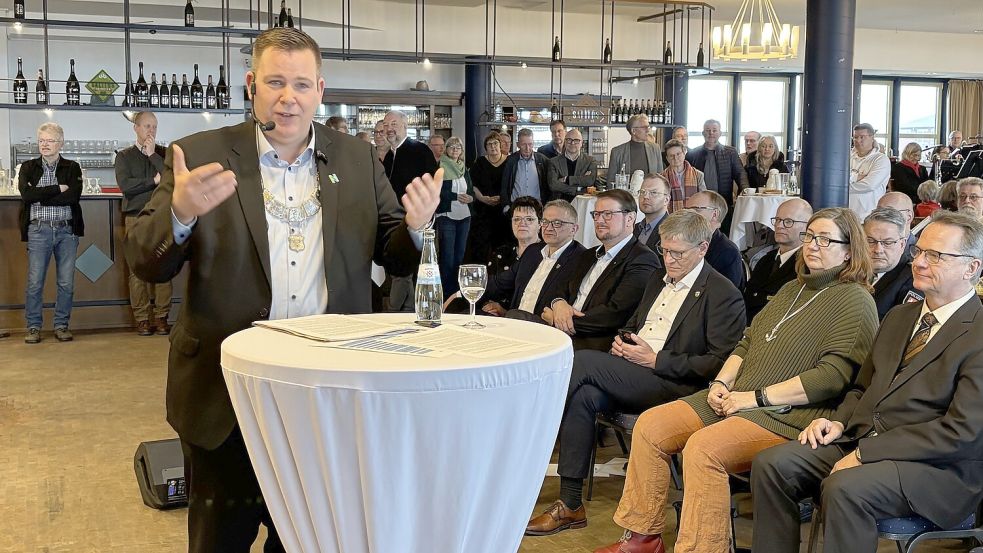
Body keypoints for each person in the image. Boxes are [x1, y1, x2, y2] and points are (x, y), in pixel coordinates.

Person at [124, 28, 442, 553]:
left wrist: (413, 227)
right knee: (217, 541)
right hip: (224, 394)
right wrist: (179, 214)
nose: (288, 97)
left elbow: (393, 251)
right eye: (274, 81)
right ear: (251, 85)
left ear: (320, 89)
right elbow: (144, 260)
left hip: (325, 396)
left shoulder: (358, 159)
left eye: (300, 84)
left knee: (309, 541)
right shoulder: (198, 154)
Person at [593, 207, 878, 553]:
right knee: (652, 426)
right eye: (809, 236)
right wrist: (721, 383)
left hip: (787, 414)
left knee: (703, 449)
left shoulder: (855, 300)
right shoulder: (792, 289)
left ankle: (704, 549)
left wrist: (754, 398)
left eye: (824, 239)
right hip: (736, 397)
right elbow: (746, 341)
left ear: (849, 250)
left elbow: (830, 379)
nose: (812, 245)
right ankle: (643, 537)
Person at [751, 210, 983, 553]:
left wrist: (866, 452)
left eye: (935, 255)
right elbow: (861, 388)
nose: (919, 262)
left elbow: (961, 432)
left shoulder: (977, 332)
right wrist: (836, 422)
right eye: (919, 251)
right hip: (864, 440)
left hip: (937, 470)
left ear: (972, 268)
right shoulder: (899, 316)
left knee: (845, 487)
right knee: (771, 465)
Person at [526, 209, 746, 537]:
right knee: (585, 395)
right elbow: (635, 323)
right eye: (664, 250)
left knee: (582, 361)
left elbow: (718, 363)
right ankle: (570, 504)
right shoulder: (659, 277)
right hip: (634, 370)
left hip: (677, 384)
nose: (669, 259)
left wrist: (656, 360)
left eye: (677, 253)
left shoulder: (722, 293)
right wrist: (624, 342)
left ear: (702, 249)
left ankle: (524, 437)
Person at [540, 189, 659, 351]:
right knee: (517, 319)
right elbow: (559, 289)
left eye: (608, 214)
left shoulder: (642, 259)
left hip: (594, 342)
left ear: (630, 218)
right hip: (561, 332)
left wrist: (559, 321)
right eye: (596, 214)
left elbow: (615, 314)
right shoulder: (588, 255)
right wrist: (558, 303)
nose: (599, 220)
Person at [19, 122, 83, 344]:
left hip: (67, 230)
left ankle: (61, 325)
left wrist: (41, 195)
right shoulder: (27, 167)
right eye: (41, 141)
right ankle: (34, 326)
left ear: (60, 143)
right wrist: (57, 189)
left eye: (50, 140)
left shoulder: (72, 167)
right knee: (35, 281)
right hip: (38, 230)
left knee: (66, 282)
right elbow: (27, 195)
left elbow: (72, 198)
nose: (44, 145)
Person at [465, 200, 585, 318]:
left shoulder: (582, 259)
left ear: (574, 229)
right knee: (464, 314)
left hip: (543, 327)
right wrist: (463, 291)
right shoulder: (533, 252)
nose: (548, 228)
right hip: (514, 321)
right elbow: (498, 283)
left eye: (557, 223)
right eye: (545, 221)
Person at [116, 111, 173, 336]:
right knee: (136, 271)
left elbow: (172, 178)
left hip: (162, 218)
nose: (151, 131)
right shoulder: (124, 156)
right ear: (136, 128)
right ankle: (142, 319)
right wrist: (153, 181)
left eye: (154, 127)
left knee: (164, 268)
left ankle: (161, 317)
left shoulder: (164, 154)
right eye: (147, 126)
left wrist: (152, 157)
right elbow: (127, 187)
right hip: (135, 218)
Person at [382, 110, 439, 311]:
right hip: (395, 222)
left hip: (418, 223)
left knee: (418, 271)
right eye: (386, 124)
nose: (389, 128)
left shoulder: (420, 151)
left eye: (394, 124)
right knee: (399, 271)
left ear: (405, 126)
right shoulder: (389, 155)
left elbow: (432, 185)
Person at [744, 198, 812, 322]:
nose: (779, 226)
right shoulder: (765, 260)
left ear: (807, 227)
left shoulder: (807, 267)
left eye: (788, 221)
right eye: (778, 220)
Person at [686, 119, 747, 233]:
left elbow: (740, 173)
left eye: (714, 130)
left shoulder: (730, 152)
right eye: (708, 130)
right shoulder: (692, 154)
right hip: (699, 206)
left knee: (723, 234)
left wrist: (745, 189)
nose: (711, 133)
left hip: (723, 203)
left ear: (720, 133)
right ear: (703, 133)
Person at [865, 207, 921, 320]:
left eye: (888, 242)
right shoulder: (852, 270)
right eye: (870, 241)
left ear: (902, 244)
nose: (878, 249)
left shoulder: (913, 281)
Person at [435, 136, 473, 297]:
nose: (455, 150)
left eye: (458, 147)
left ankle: (456, 293)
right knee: (447, 257)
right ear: (446, 149)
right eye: (452, 147)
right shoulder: (441, 167)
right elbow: (437, 190)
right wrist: (455, 196)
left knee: (459, 255)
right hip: (447, 216)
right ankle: (446, 292)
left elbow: (470, 189)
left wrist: (471, 198)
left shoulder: (463, 168)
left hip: (464, 216)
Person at [684, 191, 745, 291]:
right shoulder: (683, 243)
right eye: (686, 210)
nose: (687, 215)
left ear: (714, 214)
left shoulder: (728, 252)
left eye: (695, 210)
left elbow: (726, 295)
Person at [466, 132, 507, 260]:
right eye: (489, 144)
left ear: (501, 145)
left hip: (503, 210)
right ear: (485, 147)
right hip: (483, 210)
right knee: (481, 246)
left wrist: (502, 198)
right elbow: (473, 185)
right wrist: (483, 198)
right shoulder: (480, 162)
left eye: (495, 143)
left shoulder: (510, 161)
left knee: (502, 244)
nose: (493, 147)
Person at [489, 196, 543, 276]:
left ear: (540, 224)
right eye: (517, 219)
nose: (522, 223)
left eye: (529, 219)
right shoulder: (500, 254)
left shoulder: (550, 254)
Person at [607, 114, 664, 186]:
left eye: (648, 126)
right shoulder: (617, 152)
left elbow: (660, 178)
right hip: (626, 196)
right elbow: (611, 182)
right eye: (644, 127)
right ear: (633, 131)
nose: (648, 130)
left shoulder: (655, 149)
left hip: (650, 195)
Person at [500, 128, 549, 211]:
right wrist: (506, 206)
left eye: (530, 144)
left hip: (537, 207)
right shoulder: (510, 161)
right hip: (515, 207)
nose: (527, 148)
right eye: (524, 144)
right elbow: (504, 185)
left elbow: (548, 186)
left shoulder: (543, 160)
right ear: (518, 144)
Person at [849, 123, 890, 220]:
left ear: (872, 137)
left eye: (862, 137)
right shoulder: (847, 156)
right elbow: (837, 177)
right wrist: (856, 177)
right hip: (847, 214)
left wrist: (844, 187)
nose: (858, 141)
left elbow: (870, 185)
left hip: (868, 216)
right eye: (855, 137)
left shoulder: (881, 159)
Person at [547, 128, 598, 202]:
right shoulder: (553, 162)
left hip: (582, 204)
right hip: (559, 203)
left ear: (581, 143)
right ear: (565, 142)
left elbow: (590, 181)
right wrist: (577, 189)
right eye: (569, 140)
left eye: (576, 140)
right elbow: (553, 185)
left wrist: (567, 179)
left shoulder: (590, 161)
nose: (572, 143)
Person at [661, 138, 706, 214]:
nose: (675, 158)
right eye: (671, 156)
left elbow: (703, 199)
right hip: (669, 218)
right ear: (667, 158)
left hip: (693, 217)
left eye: (678, 154)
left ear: (684, 153)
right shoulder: (661, 177)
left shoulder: (698, 175)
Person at [633, 174, 671, 252]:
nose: (645, 196)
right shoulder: (633, 229)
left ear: (666, 200)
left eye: (653, 192)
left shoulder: (672, 231)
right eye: (642, 192)